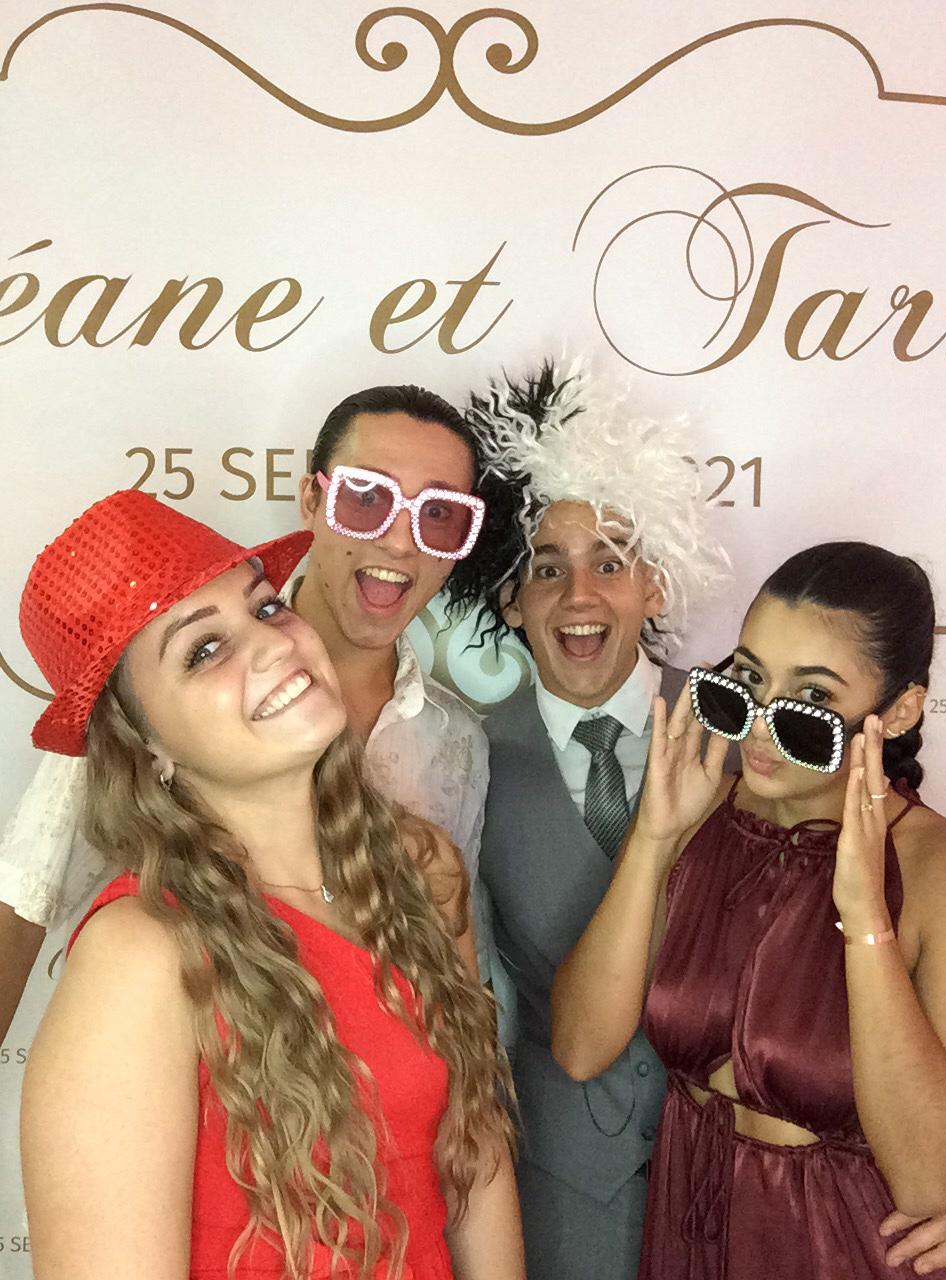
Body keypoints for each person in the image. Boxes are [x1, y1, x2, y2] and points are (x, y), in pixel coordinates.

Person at [18, 489, 523, 1280]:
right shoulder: (139, 960)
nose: (271, 645)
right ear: (146, 747)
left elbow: (473, 1156)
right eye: (203, 651)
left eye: (264, 607)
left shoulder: (414, 871)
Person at [0, 384, 494, 1040]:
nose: (402, 542)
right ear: (312, 500)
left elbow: (451, 986)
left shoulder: (460, 741)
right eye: (367, 498)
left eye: (439, 514)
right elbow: (20, 915)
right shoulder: (143, 714)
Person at [552, 541, 946, 1278]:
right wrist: (652, 841)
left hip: (846, 1247)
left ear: (898, 711)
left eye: (812, 701)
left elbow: (932, 1184)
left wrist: (866, 919)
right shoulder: (697, 814)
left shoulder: (939, 871)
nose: (763, 728)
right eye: (745, 682)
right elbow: (582, 1046)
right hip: (689, 1233)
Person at [444, 360, 728, 1280]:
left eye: (610, 562)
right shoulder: (463, 759)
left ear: (656, 586)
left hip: (743, 1177)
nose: (579, 595)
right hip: (556, 1193)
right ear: (509, 600)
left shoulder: (741, 735)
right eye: (547, 569)